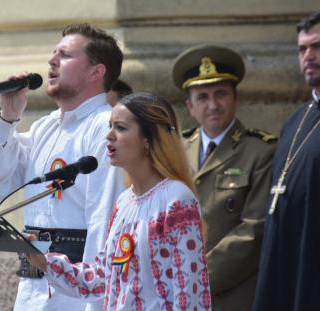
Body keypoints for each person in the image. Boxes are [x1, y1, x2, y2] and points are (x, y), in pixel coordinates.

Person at [0, 23, 125, 311]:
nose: (52, 61)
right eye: (53, 54)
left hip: (76, 298)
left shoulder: (106, 127)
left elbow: (105, 221)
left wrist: (97, 303)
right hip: (33, 290)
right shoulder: (46, 128)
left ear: (96, 72)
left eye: (64, 55)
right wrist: (7, 118)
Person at [29, 92, 211, 310]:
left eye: (121, 128)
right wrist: (43, 261)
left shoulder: (176, 199)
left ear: (147, 140)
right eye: (110, 126)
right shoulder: (125, 201)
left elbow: (190, 295)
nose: (109, 136)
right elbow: (100, 280)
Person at [172, 45, 277, 311]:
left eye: (221, 94)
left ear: (235, 99)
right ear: (189, 106)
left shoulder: (261, 151)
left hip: (232, 295)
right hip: (174, 291)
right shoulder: (176, 150)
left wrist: (197, 277)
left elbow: (254, 229)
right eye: (203, 97)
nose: (213, 105)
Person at [253, 10, 320, 311]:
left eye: (318, 46)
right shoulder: (295, 121)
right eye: (302, 49)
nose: (308, 56)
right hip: (288, 265)